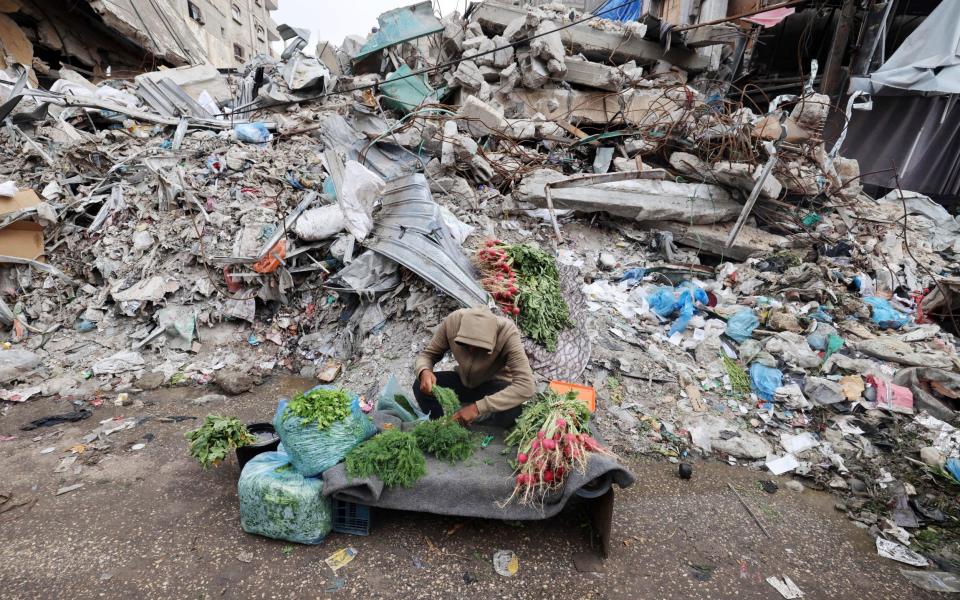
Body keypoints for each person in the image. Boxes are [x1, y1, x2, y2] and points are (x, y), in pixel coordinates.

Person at [413, 306, 535, 427]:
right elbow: (428, 355)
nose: (471, 350)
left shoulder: (507, 333)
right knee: (419, 385)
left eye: (479, 348)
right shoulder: (453, 323)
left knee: (513, 409)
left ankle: (485, 430)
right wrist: (424, 370)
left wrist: (477, 408)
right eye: (466, 345)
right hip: (463, 381)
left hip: (493, 385)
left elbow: (526, 386)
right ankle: (440, 426)